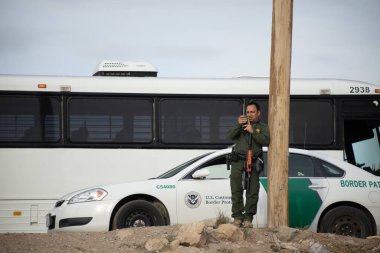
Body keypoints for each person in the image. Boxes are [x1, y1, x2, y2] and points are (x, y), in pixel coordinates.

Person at [227, 100, 270, 228]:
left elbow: (266, 140)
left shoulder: (262, 127)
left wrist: (253, 131)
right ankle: (237, 217)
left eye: (252, 112)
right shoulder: (241, 125)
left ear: (258, 113)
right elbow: (229, 136)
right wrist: (238, 125)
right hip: (237, 161)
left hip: (253, 162)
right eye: (248, 112)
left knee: (252, 191)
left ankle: (248, 219)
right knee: (236, 189)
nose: (250, 114)